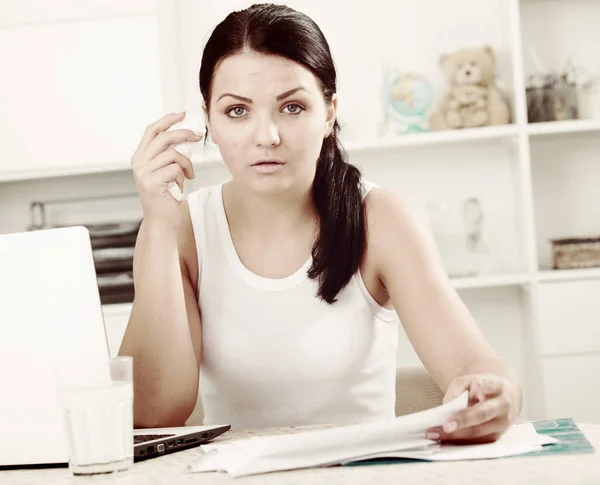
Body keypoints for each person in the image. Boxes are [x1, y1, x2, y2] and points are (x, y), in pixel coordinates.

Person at [119, 3, 522, 443]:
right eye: (237, 111)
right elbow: (151, 415)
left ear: (329, 112)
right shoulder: (180, 229)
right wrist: (158, 226)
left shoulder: (380, 218)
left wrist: (499, 395)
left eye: (292, 107)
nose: (266, 136)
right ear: (209, 122)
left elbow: (474, 366)